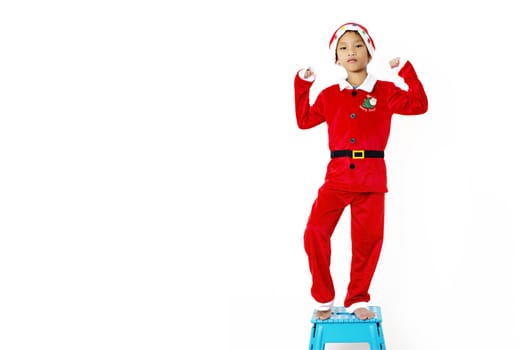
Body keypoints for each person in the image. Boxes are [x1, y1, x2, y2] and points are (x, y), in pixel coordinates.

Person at [294, 22, 428, 320]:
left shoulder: (385, 91)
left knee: (367, 243)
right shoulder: (330, 95)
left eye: (357, 45)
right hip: (337, 176)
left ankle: (357, 297)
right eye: (343, 47)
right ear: (336, 58)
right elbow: (304, 120)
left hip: (371, 178)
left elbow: (419, 105)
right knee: (314, 231)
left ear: (369, 53)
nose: (350, 51)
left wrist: (406, 70)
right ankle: (323, 295)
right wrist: (302, 85)